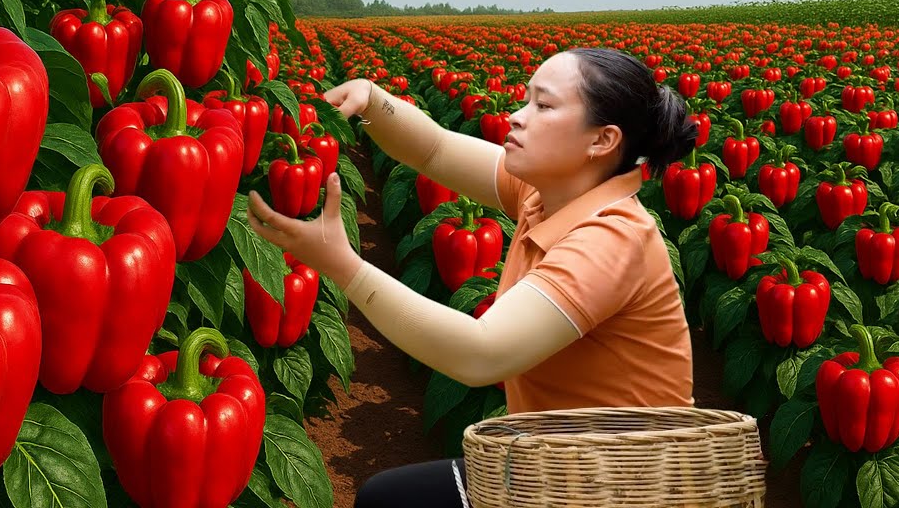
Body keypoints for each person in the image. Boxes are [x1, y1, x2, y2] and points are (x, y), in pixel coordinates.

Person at [246, 47, 699, 508]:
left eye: (543, 105)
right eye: (526, 100)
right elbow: (435, 149)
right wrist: (373, 100)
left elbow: (481, 354)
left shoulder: (612, 238)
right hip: (558, 466)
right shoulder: (548, 194)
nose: (517, 116)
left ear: (602, 140)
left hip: (627, 484)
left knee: (392, 501)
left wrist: (343, 265)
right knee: (389, 498)